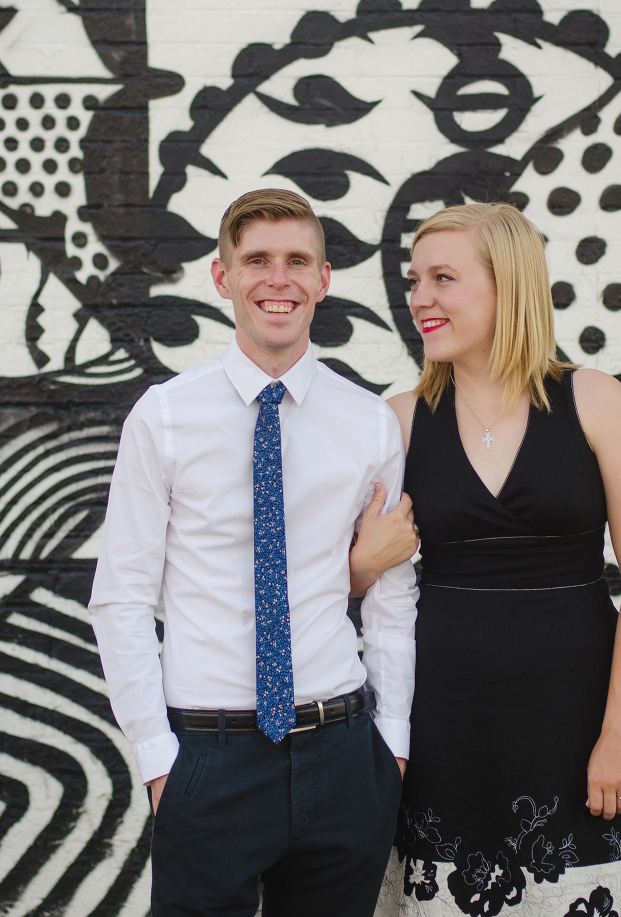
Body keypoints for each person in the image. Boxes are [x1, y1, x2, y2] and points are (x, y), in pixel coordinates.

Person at [89, 188, 420, 917]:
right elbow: (120, 595)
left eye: (298, 260)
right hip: (209, 758)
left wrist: (390, 747)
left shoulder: (367, 422)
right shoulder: (167, 417)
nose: (279, 279)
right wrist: (157, 759)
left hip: (342, 755)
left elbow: (393, 599)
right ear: (222, 276)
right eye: (258, 260)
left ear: (324, 279)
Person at [359, 202, 621, 916]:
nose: (419, 298)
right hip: (440, 734)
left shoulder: (595, 399)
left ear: (510, 286)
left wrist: (620, 730)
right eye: (414, 279)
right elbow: (352, 575)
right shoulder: (398, 419)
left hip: (578, 728)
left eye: (443, 278)